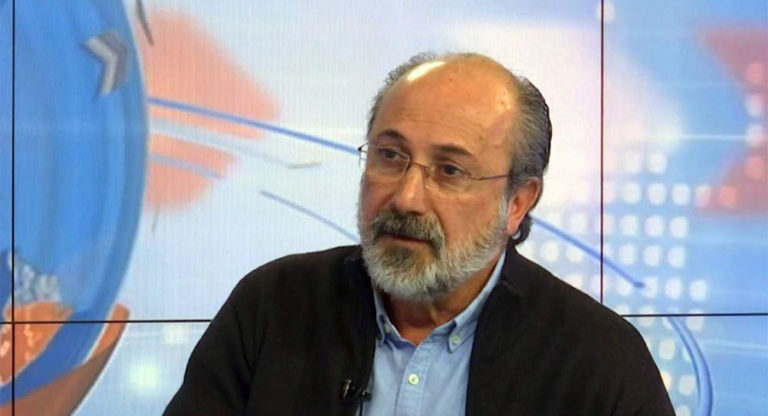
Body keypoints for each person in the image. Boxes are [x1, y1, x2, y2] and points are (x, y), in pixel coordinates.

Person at [164, 52, 674, 415]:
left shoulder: (598, 360)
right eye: (390, 156)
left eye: (450, 170)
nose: (407, 197)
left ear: (517, 202)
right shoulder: (273, 307)